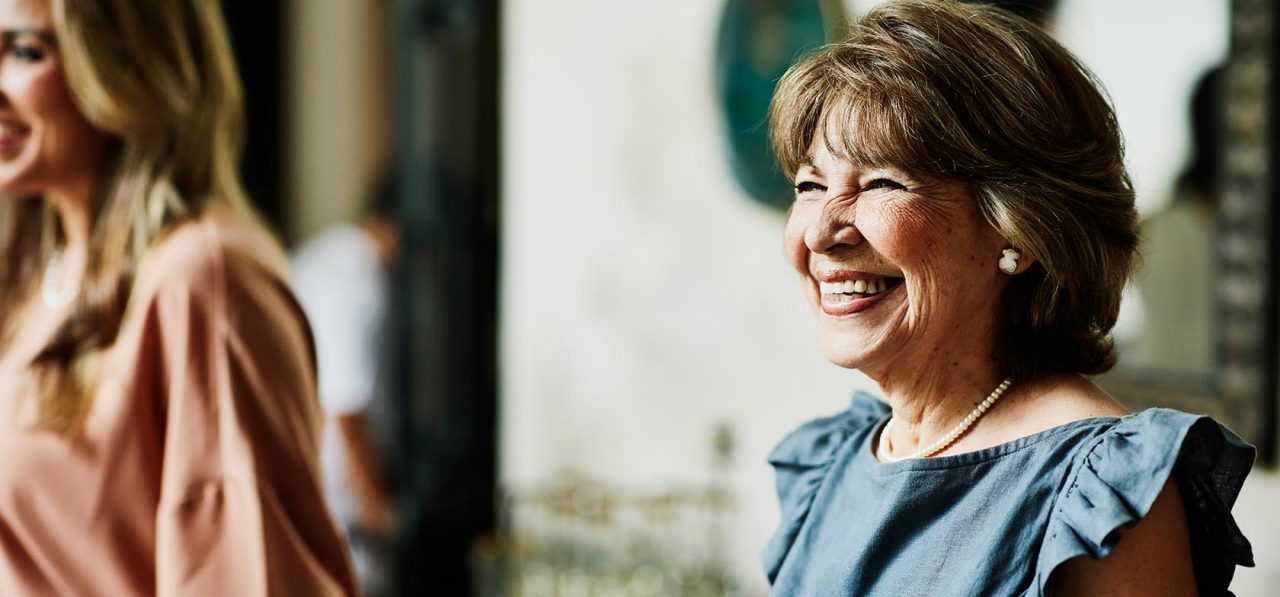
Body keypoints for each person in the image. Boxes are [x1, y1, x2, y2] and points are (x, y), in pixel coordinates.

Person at [762, 2, 1253, 595]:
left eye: (882, 183)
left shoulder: (1098, 494)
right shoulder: (836, 459)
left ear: (1020, 229)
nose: (819, 233)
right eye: (810, 185)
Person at [0, 0, 357, 594]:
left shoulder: (205, 278)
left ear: (124, 64)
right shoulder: (40, 271)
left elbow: (247, 574)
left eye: (24, 50)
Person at [292, 175, 400, 596]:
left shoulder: (323, 257)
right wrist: (381, 520)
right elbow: (347, 409)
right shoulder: (358, 284)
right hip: (338, 511)